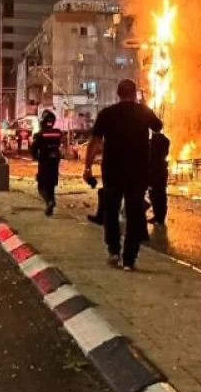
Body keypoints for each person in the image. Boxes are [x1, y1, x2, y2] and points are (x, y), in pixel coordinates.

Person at [83, 79, 162, 272]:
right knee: (135, 214)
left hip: (113, 170)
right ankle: (129, 259)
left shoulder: (107, 114)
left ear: (118, 94)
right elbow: (158, 127)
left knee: (111, 211)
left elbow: (94, 142)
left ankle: (113, 250)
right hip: (138, 171)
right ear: (135, 93)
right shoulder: (144, 112)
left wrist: (87, 168)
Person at [30, 110, 65, 216]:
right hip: (55, 163)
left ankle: (49, 202)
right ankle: (51, 204)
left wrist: (36, 157)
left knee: (41, 186)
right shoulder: (58, 133)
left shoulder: (40, 135)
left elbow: (33, 150)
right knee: (51, 186)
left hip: (44, 162)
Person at [148, 124, 171, 225]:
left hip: (155, 171)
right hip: (160, 170)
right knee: (160, 194)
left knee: (156, 194)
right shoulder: (165, 140)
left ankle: (159, 216)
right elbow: (165, 154)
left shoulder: (151, 141)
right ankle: (159, 216)